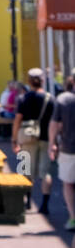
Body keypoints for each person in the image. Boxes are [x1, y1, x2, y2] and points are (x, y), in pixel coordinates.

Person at [15, 68, 54, 212]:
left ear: (29, 81)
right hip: (45, 138)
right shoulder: (49, 99)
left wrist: (14, 139)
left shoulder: (23, 98)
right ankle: (44, 205)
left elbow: (17, 120)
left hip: (26, 138)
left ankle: (28, 201)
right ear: (43, 81)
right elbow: (54, 122)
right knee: (45, 173)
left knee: (25, 170)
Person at [48, 76, 75, 231]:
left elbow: (54, 124)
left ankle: (72, 217)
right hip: (67, 147)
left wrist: (52, 144)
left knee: (68, 183)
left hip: (68, 147)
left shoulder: (63, 99)